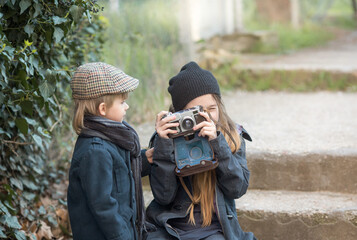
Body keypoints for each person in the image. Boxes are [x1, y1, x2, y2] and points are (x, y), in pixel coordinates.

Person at [146, 61, 256, 240]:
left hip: (215, 227)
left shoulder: (231, 136)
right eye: (195, 111)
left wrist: (217, 143)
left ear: (219, 106)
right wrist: (164, 145)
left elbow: (237, 189)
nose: (205, 116)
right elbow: (164, 197)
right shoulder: (166, 137)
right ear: (179, 113)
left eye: (211, 109)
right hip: (170, 226)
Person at [67, 62, 153, 240]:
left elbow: (120, 173)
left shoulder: (111, 137)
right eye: (122, 102)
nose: (126, 106)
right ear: (103, 109)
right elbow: (104, 206)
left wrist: (146, 159)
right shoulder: (95, 151)